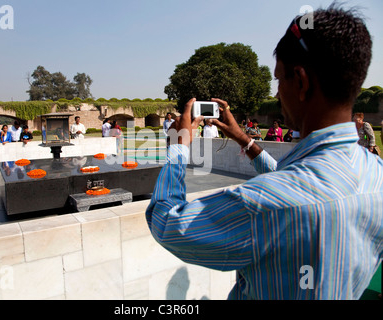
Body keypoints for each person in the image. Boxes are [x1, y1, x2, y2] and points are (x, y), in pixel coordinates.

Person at [146, 5, 382, 300]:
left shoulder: (264, 204)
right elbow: (302, 187)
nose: (276, 93)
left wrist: (179, 147)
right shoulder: (376, 176)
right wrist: (243, 139)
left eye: (278, 79)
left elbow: (168, 223)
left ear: (301, 82)